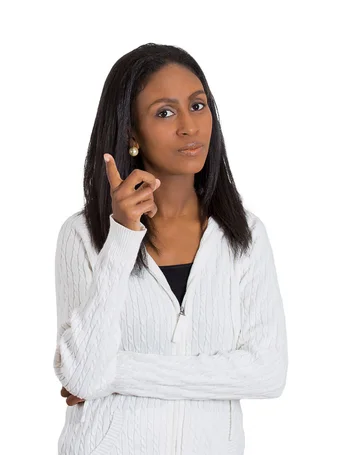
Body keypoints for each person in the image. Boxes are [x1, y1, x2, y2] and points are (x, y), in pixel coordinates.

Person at [53, 43, 288, 455]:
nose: (189, 126)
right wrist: (123, 236)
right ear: (131, 132)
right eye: (165, 112)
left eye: (198, 106)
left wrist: (118, 371)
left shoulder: (244, 236)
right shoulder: (84, 235)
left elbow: (267, 373)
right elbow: (85, 375)